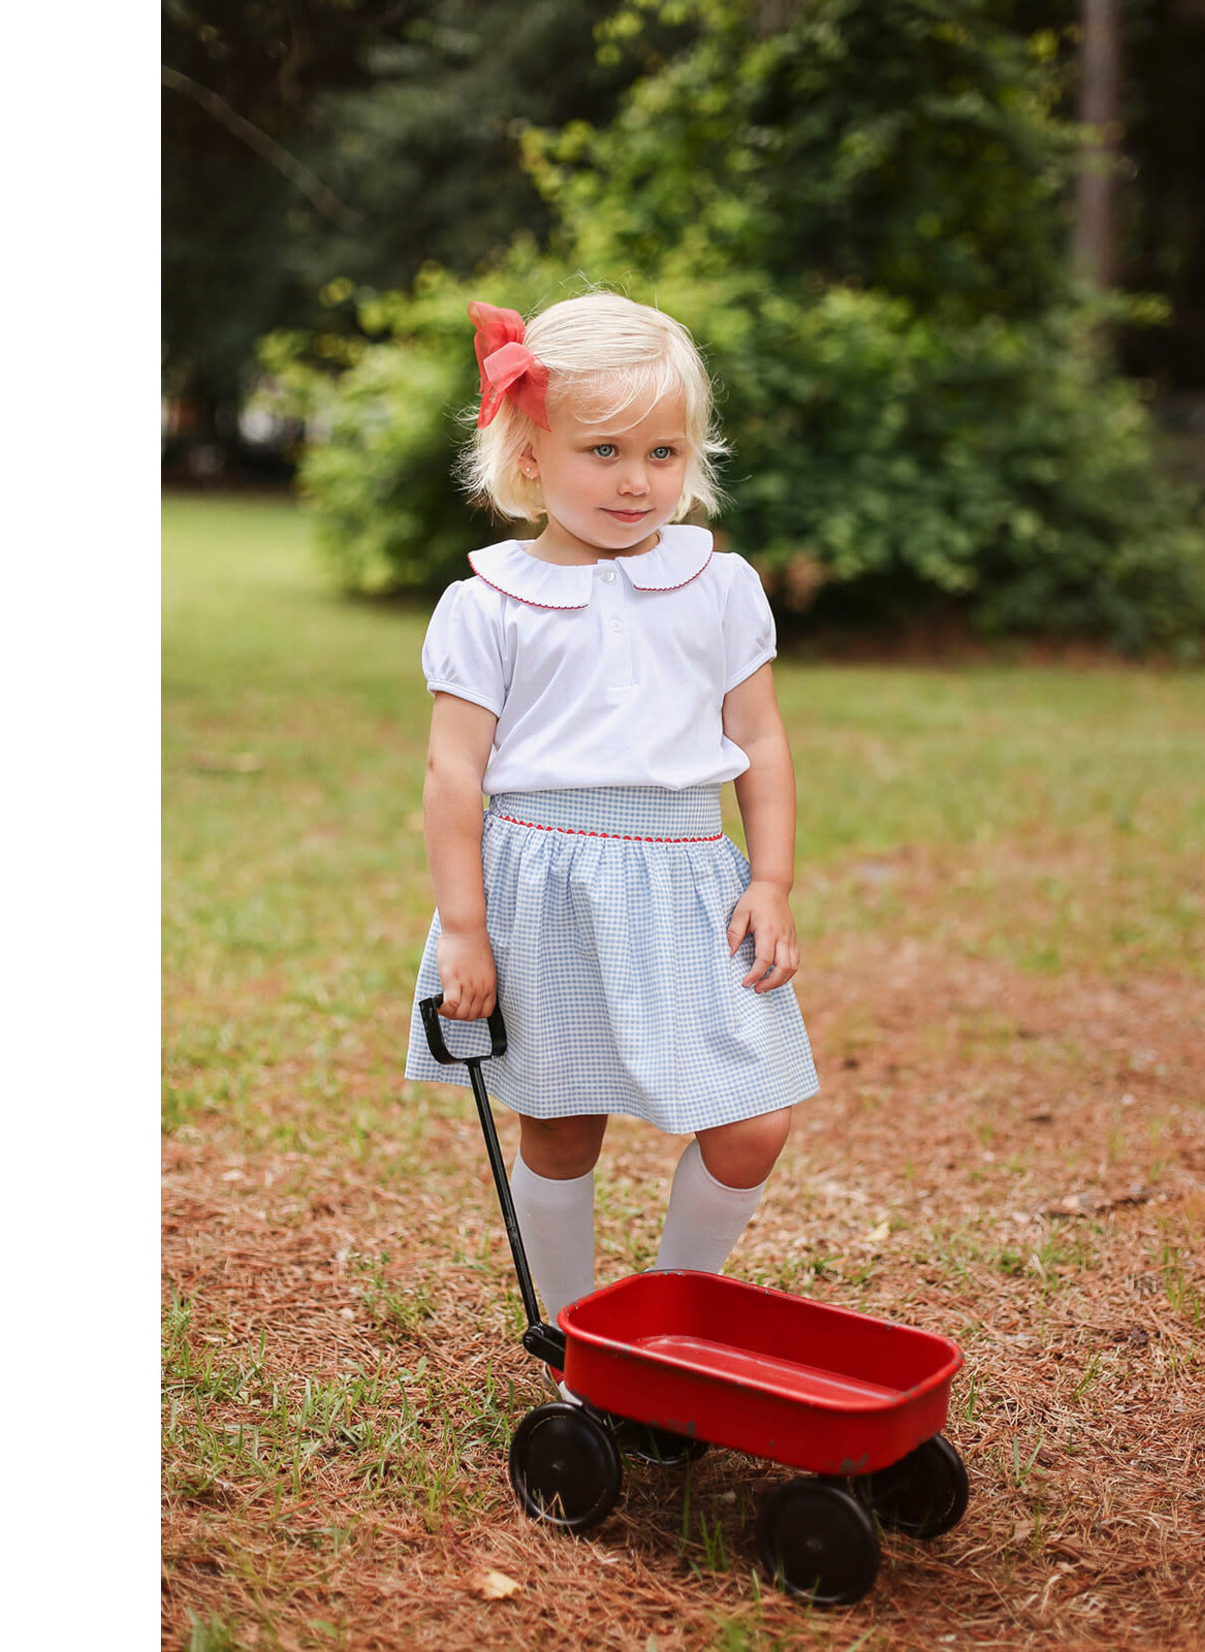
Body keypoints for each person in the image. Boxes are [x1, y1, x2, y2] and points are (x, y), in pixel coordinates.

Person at [404, 292, 819, 1380]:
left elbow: (760, 742)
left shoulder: (717, 585)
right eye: (603, 450)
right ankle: (578, 1335)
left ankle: (676, 1317)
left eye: (662, 450)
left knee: (750, 1122)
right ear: (529, 455)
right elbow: (455, 774)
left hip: (689, 880)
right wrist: (463, 928)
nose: (637, 479)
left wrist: (768, 878)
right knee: (563, 1119)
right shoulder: (490, 603)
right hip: (544, 881)